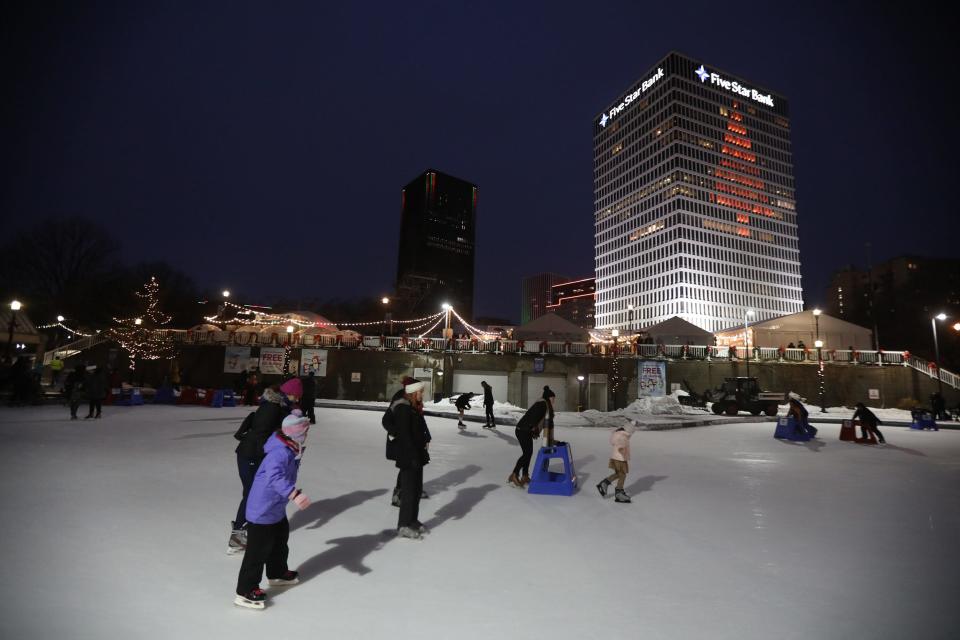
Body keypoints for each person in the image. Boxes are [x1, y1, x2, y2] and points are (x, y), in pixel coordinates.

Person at [233, 411, 312, 609]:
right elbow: (274, 477)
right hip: (262, 509)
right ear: (295, 433)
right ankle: (245, 590)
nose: (307, 434)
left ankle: (276, 573)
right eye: (305, 431)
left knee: (279, 541)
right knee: (257, 552)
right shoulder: (279, 452)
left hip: (275, 506)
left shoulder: (290, 447)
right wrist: (294, 494)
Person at [229, 386, 289, 555]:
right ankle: (237, 539)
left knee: (251, 494)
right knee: (251, 495)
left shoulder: (266, 406)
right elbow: (284, 428)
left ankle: (245, 531)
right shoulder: (276, 410)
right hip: (252, 454)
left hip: (246, 453)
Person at [390, 380, 430, 539]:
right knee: (408, 492)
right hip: (409, 457)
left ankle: (412, 520)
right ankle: (403, 524)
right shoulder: (404, 409)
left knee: (417, 490)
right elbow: (405, 435)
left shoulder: (414, 409)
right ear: (414, 393)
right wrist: (412, 455)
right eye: (420, 392)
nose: (422, 394)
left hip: (417, 456)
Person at [384, 377, 431, 508]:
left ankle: (416, 488)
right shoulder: (401, 397)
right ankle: (398, 494)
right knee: (406, 465)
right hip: (403, 440)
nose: (422, 394)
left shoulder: (414, 399)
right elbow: (386, 420)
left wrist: (426, 436)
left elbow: (420, 419)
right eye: (420, 390)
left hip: (414, 438)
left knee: (417, 463)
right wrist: (398, 433)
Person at [508, 387, 555, 488]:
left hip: (525, 430)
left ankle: (525, 475)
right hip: (522, 430)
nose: (554, 401)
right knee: (527, 453)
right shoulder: (542, 404)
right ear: (548, 398)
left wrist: (533, 430)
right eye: (553, 398)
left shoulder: (544, 404)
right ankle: (514, 474)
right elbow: (533, 417)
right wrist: (534, 428)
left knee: (528, 453)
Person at [597, 422, 636, 503]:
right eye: (632, 431)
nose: (632, 433)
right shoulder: (622, 436)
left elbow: (615, 441)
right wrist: (621, 447)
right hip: (619, 458)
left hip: (618, 457)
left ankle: (605, 483)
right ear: (629, 430)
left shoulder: (620, 434)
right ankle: (619, 493)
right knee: (622, 474)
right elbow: (619, 444)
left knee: (619, 474)